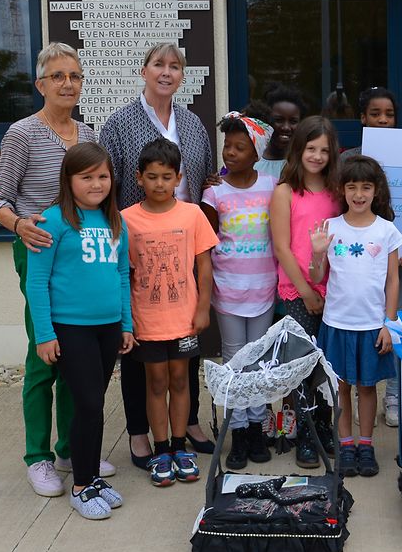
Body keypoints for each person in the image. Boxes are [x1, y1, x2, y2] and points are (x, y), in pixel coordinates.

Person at [0, 42, 116, 498]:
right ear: (40, 84)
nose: (68, 84)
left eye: (75, 76)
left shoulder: (86, 132)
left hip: (85, 255)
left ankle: (70, 448)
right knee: (45, 353)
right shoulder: (22, 133)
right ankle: (38, 457)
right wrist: (21, 225)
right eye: (58, 76)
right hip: (40, 251)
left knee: (77, 360)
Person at [99, 42, 215, 469]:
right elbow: (104, 182)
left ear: (182, 75)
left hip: (185, 237)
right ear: (144, 70)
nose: (166, 72)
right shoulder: (120, 123)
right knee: (141, 351)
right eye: (158, 65)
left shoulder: (191, 123)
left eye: (175, 66)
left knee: (185, 355)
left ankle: (188, 427)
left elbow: (205, 177)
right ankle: (139, 432)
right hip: (139, 245)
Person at [26, 143, 134, 520]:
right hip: (71, 329)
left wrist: (126, 324)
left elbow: (122, 275)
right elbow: (37, 283)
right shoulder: (53, 221)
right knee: (87, 404)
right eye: (86, 177)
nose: (96, 184)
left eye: (102, 176)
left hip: (107, 329)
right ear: (68, 180)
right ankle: (81, 486)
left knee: (95, 404)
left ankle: (90, 477)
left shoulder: (115, 221)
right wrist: (44, 334)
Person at [121, 139, 218, 488]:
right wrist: (126, 320)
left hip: (184, 318)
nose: (159, 184)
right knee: (156, 382)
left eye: (166, 177)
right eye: (152, 177)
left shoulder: (192, 214)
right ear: (138, 178)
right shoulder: (126, 220)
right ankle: (160, 449)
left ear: (178, 178)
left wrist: (203, 307)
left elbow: (204, 267)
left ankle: (180, 447)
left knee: (181, 380)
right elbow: (124, 273)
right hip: (147, 319)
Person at [310, 156, 402, 477]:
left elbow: (393, 281)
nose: (359, 194)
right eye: (352, 187)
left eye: (366, 187)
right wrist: (317, 252)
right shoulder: (331, 227)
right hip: (336, 324)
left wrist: (389, 324)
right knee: (341, 388)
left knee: (367, 388)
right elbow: (317, 274)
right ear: (342, 190)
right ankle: (345, 445)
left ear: (376, 191)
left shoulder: (387, 230)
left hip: (371, 326)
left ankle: (366, 445)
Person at [201, 112, 278, 470]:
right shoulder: (214, 191)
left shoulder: (271, 188)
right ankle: (238, 430)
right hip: (228, 290)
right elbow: (207, 239)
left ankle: (258, 428)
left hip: (263, 288)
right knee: (234, 361)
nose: (230, 152)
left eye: (239, 147)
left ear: (256, 153)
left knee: (260, 359)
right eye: (227, 146)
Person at [269, 116, 343, 468]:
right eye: (311, 148)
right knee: (302, 365)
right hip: (297, 291)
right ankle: (306, 433)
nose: (317, 156)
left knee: (328, 364)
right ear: (298, 149)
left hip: (335, 290)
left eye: (324, 150)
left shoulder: (337, 192)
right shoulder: (285, 192)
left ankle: (326, 426)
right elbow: (282, 247)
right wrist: (306, 291)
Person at [338, 87, 402, 426]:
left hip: (392, 255)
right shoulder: (348, 159)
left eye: (389, 114)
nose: (383, 120)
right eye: (375, 113)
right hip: (355, 263)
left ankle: (393, 395)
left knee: (389, 327)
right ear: (362, 118)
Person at [255, 83, 307, 178]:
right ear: (267, 120)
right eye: (278, 120)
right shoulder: (252, 160)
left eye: (293, 121)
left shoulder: (306, 162)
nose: (286, 127)